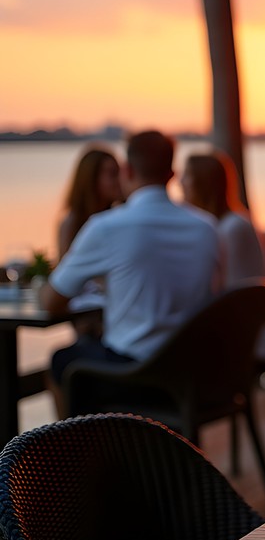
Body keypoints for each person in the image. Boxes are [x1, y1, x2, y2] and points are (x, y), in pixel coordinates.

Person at [42, 129, 223, 389]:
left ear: (126, 171)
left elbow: (50, 302)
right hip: (195, 372)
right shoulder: (207, 228)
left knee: (61, 360)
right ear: (171, 175)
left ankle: (83, 419)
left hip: (133, 373)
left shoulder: (106, 227)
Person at [181, 151, 265, 286]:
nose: (180, 182)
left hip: (241, 299)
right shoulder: (229, 223)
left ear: (203, 183)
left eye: (187, 175)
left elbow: (231, 285)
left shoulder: (232, 228)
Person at [58, 146, 123, 259]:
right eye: (113, 174)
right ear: (92, 179)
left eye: (120, 173)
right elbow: (65, 266)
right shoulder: (71, 224)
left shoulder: (121, 216)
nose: (120, 180)